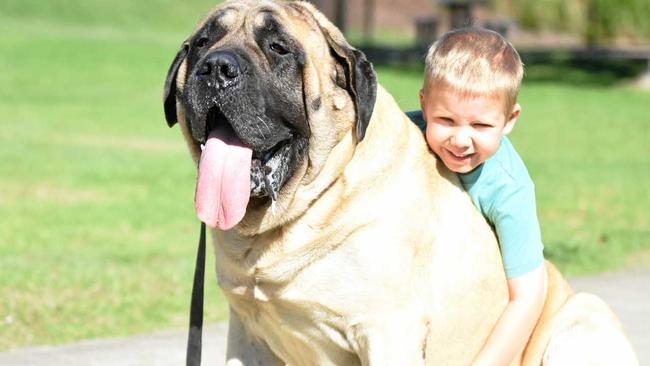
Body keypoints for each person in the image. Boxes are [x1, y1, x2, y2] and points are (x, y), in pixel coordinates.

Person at [406, 28, 545, 366]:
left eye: (481, 126)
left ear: (509, 120)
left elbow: (528, 296)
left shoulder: (509, 189)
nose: (461, 140)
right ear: (424, 106)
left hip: (465, 305)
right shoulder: (404, 139)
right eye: (446, 120)